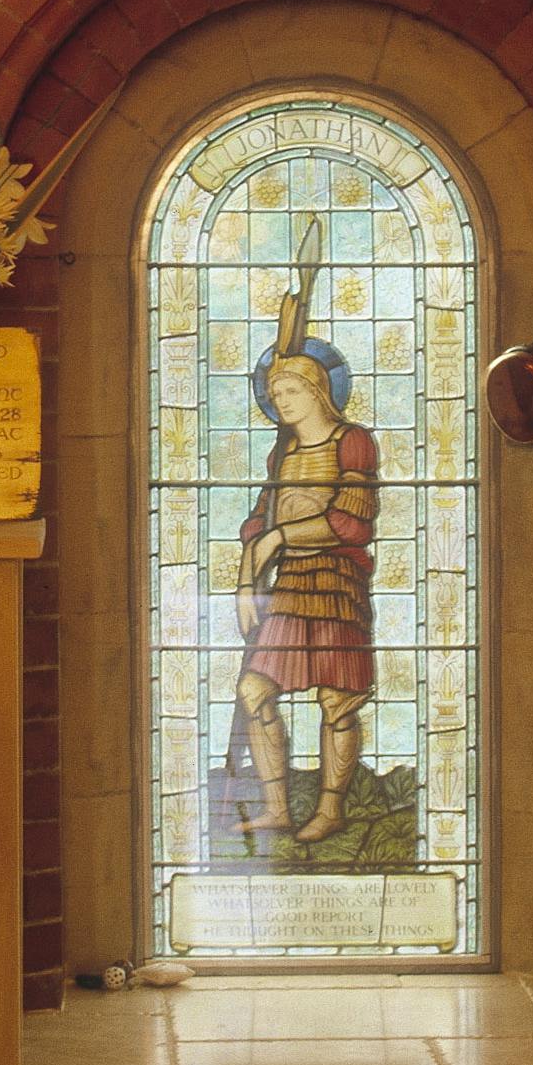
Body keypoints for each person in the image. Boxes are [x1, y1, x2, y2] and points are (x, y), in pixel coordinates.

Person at [232, 225, 379, 848]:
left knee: (337, 699)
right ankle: (276, 808)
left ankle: (332, 808)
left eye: (289, 389)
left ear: (317, 389)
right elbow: (257, 523)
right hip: (290, 586)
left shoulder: (353, 440)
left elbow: (352, 519)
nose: (281, 400)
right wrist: (246, 580)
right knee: (254, 688)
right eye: (273, 392)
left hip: (337, 582)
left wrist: (278, 540)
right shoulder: (284, 454)